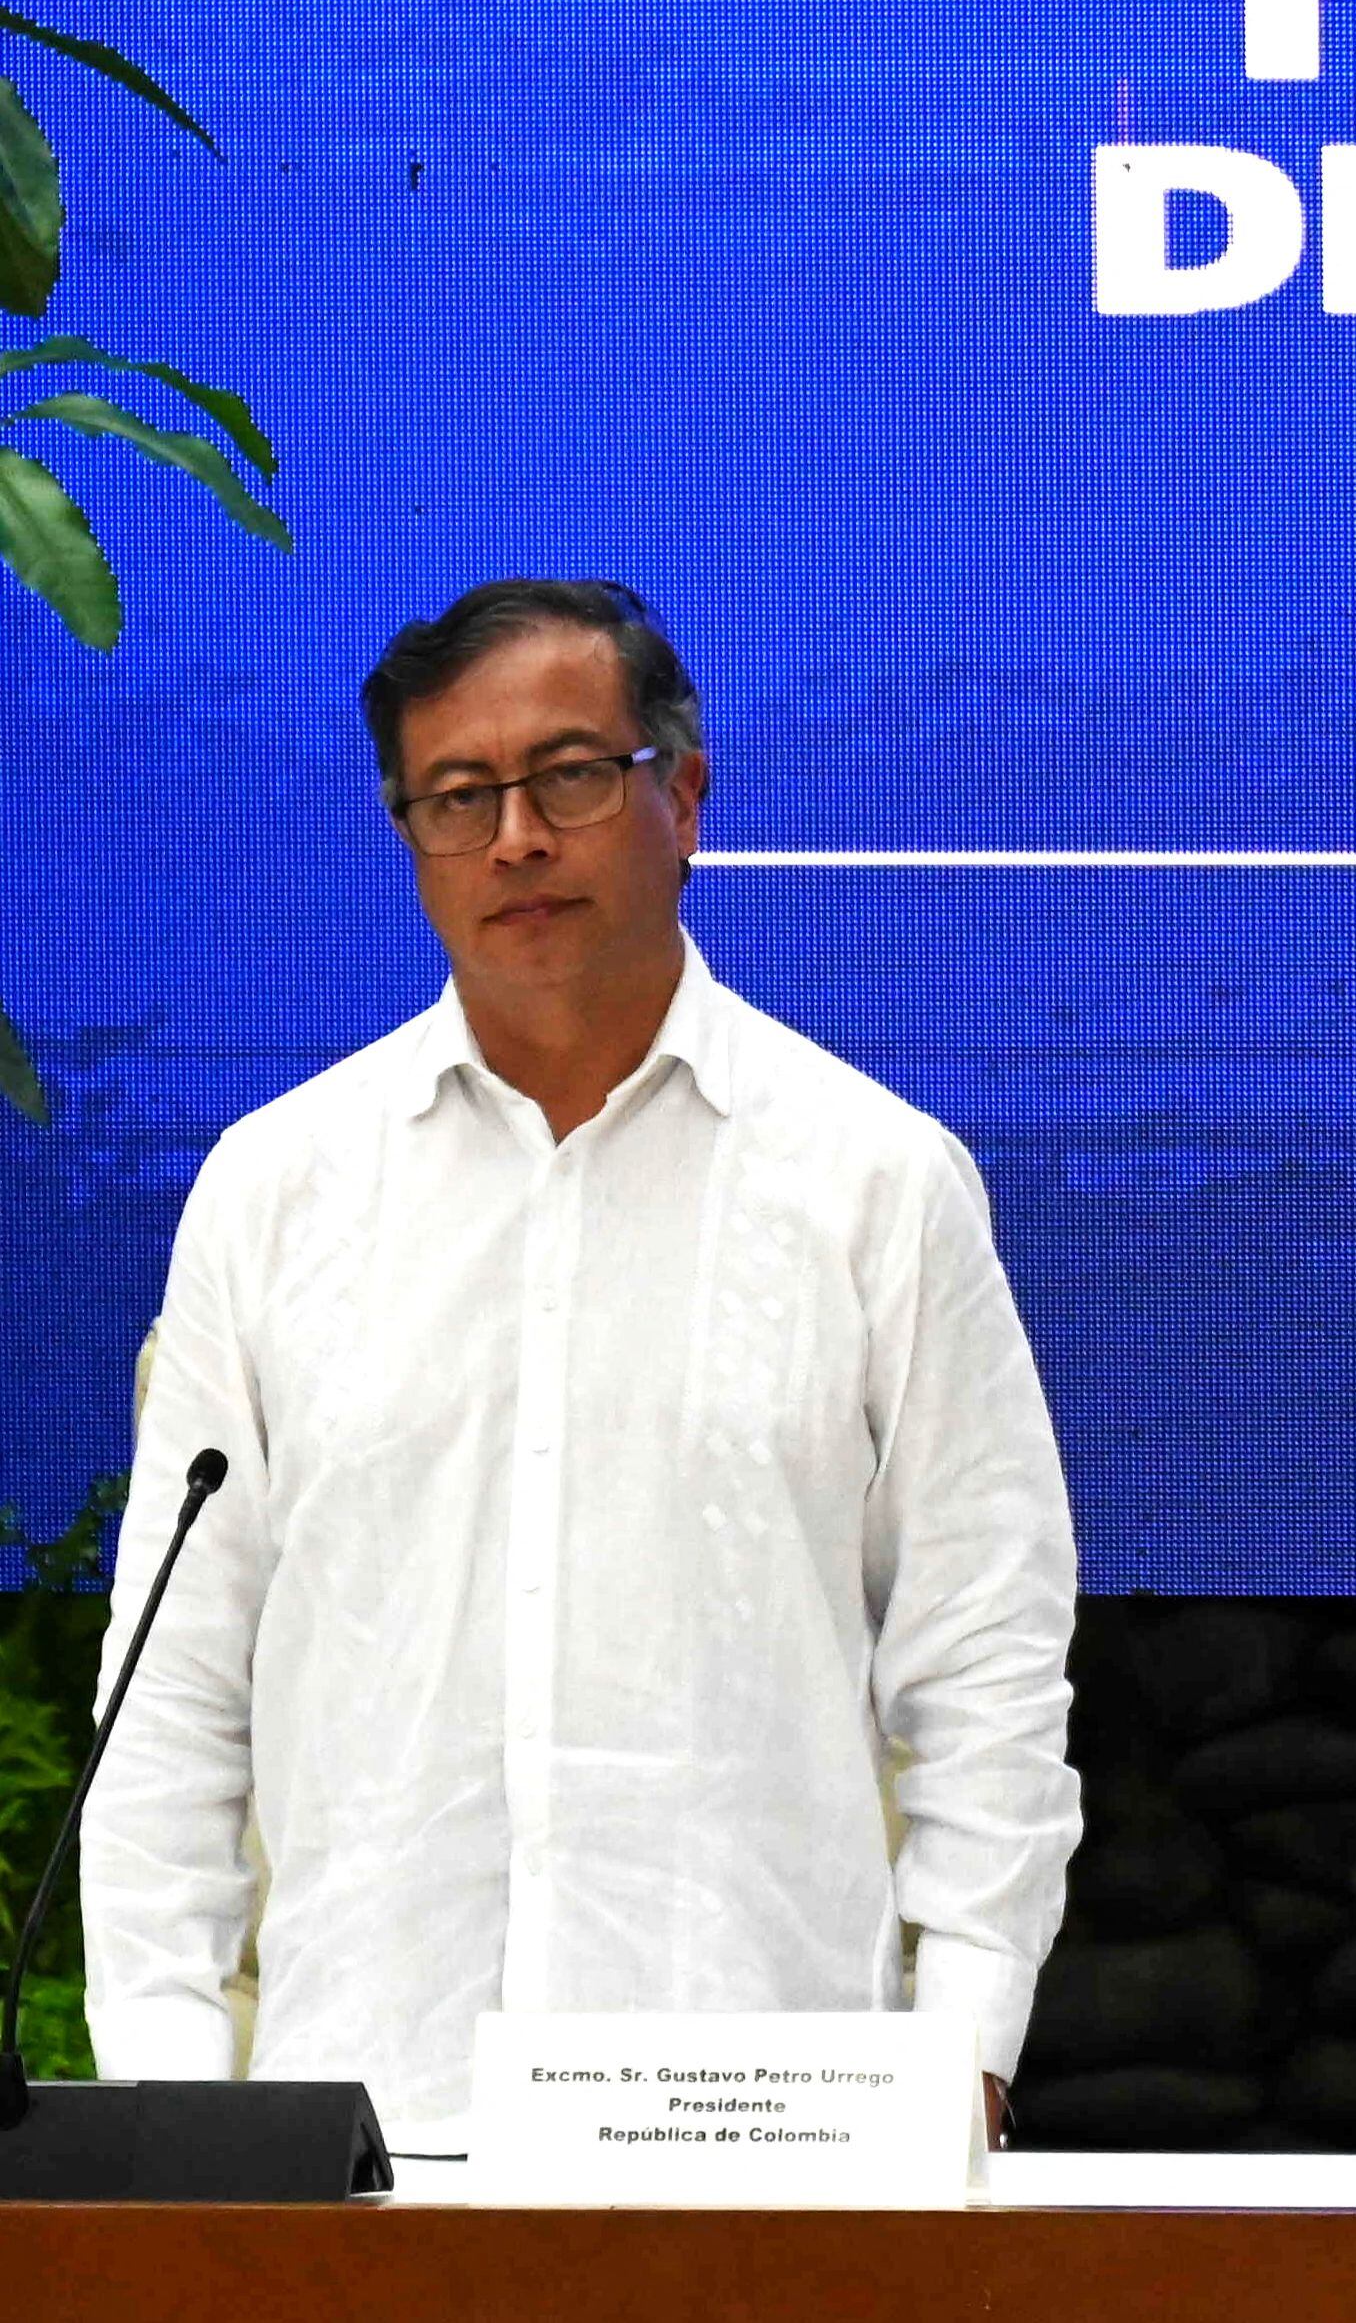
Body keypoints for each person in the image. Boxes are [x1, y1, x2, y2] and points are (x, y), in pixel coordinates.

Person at [77, 579, 1082, 2147]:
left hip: (762, 2141)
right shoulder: (276, 1189)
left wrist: (959, 2059)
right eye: (456, 798)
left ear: (682, 796)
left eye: (568, 776)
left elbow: (986, 1665)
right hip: (368, 2136)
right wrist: (164, 2109)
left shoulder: (876, 1181)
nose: (516, 840)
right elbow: (172, 1690)